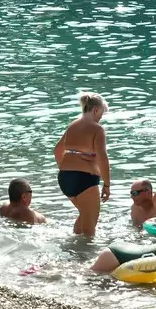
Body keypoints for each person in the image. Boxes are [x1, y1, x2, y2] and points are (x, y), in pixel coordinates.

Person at [53, 93, 112, 236]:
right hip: (85, 180)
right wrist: (107, 185)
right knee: (90, 227)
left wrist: (67, 167)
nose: (101, 118)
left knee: (84, 217)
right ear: (95, 110)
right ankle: (86, 250)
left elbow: (57, 150)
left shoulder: (72, 125)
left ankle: (74, 245)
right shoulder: (97, 129)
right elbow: (102, 158)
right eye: (101, 113)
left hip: (65, 178)